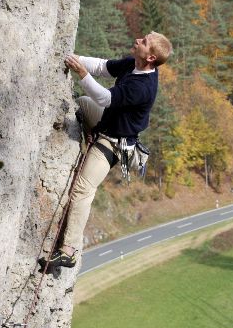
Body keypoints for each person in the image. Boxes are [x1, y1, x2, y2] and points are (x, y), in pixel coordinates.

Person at [40, 32, 172, 270]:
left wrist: (80, 72)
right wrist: (74, 58)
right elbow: (103, 66)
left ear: (151, 57)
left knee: (82, 188)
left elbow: (105, 98)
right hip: (105, 124)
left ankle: (68, 251)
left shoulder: (142, 87)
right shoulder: (134, 64)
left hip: (114, 143)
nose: (138, 40)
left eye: (144, 42)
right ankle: (89, 133)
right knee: (81, 102)